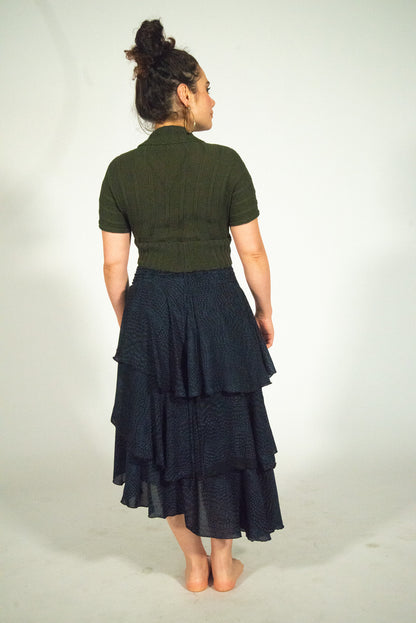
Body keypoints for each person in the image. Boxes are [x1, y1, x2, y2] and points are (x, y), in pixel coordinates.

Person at [98, 18, 284, 593]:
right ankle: (224, 564)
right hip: (218, 307)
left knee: (164, 438)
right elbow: (252, 252)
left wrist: (133, 324)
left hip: (152, 308)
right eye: (206, 89)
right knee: (224, 433)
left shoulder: (121, 171)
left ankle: (194, 562)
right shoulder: (225, 162)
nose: (211, 99)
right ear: (183, 94)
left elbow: (113, 267)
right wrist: (264, 311)